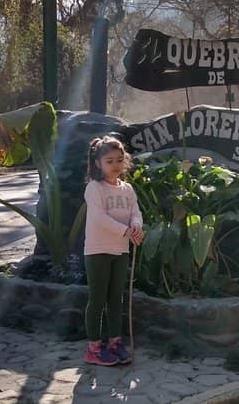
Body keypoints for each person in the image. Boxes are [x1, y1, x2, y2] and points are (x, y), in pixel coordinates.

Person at [82, 136, 144, 366]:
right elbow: (98, 218)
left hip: (120, 250)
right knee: (98, 299)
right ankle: (94, 348)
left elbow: (135, 212)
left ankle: (115, 342)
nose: (116, 165)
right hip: (98, 250)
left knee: (116, 298)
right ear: (97, 163)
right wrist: (126, 231)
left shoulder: (127, 189)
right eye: (110, 161)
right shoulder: (94, 188)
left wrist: (136, 226)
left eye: (119, 160)